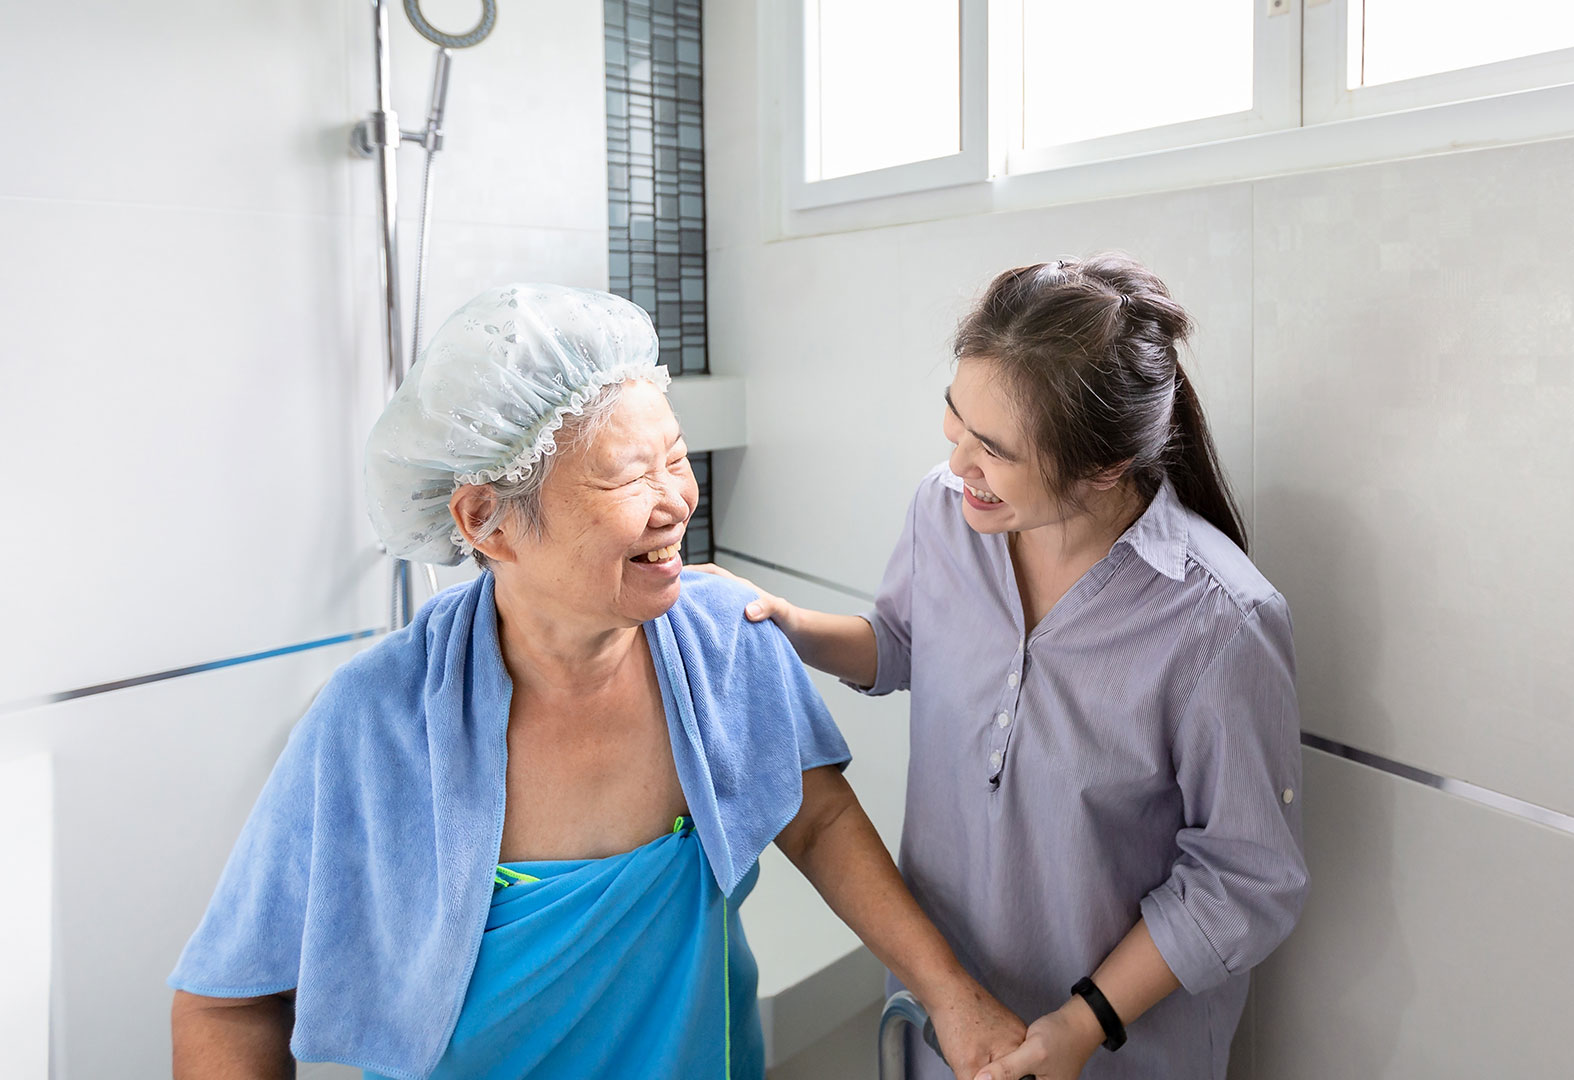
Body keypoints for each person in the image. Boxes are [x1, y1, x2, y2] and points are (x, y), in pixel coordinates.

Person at [169, 284, 1025, 1080]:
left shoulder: (726, 638)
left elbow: (818, 818)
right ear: (485, 522)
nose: (676, 502)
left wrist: (951, 994)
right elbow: (227, 1002)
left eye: (677, 459)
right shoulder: (375, 721)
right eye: (627, 475)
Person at [696, 255, 1308, 1079]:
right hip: (939, 1012)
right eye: (955, 426)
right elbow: (909, 641)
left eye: (993, 451)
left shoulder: (1220, 623)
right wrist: (790, 625)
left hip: (1114, 1051)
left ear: (1104, 468)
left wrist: (1082, 1025)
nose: (957, 469)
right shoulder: (944, 515)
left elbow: (1245, 878)